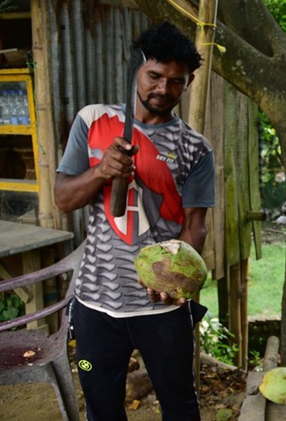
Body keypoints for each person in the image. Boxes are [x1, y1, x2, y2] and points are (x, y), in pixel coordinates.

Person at [54, 21, 214, 421]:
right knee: (101, 405)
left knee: (180, 406)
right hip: (95, 308)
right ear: (138, 70)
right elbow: (63, 199)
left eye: (175, 82)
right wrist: (100, 171)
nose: (162, 89)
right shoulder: (93, 121)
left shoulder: (195, 148)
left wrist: (178, 281)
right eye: (154, 76)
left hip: (161, 311)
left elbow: (195, 225)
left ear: (189, 82)